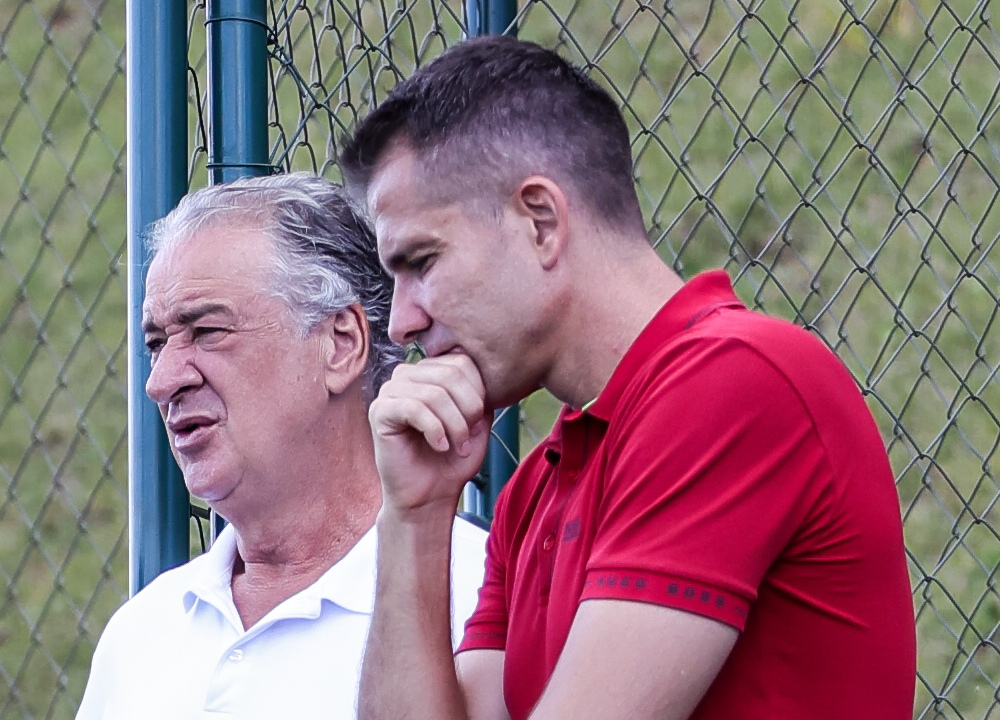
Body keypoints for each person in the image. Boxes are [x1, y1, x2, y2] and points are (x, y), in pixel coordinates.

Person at [339, 35, 916, 720]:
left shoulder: (735, 381)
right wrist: (414, 515)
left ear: (541, 221)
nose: (401, 321)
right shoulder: (535, 489)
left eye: (421, 262)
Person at [75, 173, 488, 720]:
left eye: (207, 331)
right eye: (156, 343)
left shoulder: (481, 596)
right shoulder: (140, 634)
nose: (161, 380)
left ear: (340, 345)